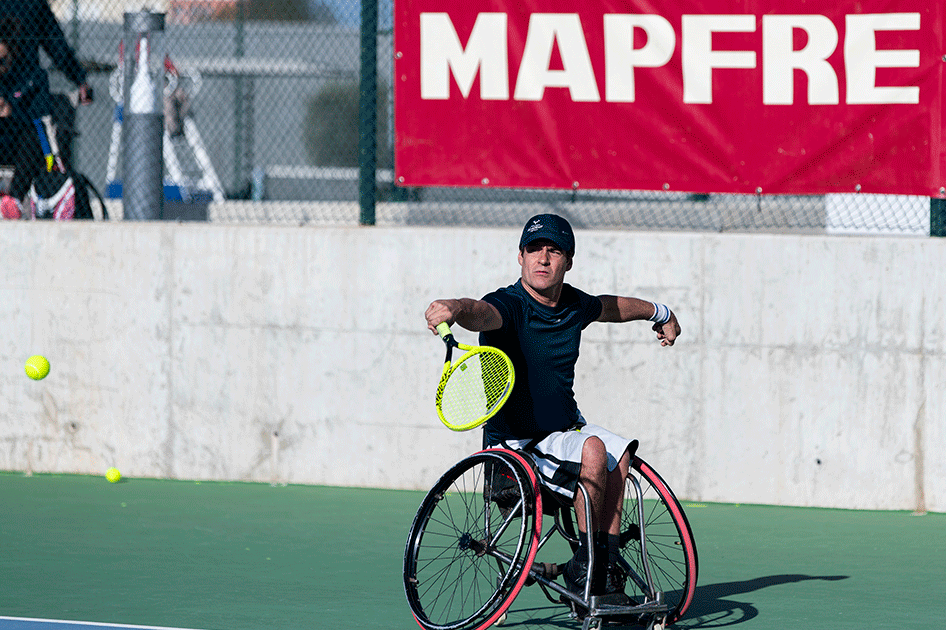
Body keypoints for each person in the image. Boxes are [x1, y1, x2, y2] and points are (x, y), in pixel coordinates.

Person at [424, 213, 680, 602]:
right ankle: (587, 568)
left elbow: (610, 307)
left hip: (562, 434)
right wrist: (454, 307)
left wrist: (659, 313)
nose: (543, 258)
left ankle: (602, 568)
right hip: (515, 448)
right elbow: (479, 311)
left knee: (620, 450)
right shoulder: (506, 306)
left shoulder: (574, 305)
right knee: (593, 450)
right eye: (534, 250)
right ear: (521, 258)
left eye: (554, 250)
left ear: (568, 262)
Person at [0, 3, 93, 219]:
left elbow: (56, 45)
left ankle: (14, 201)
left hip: (19, 126)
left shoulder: (32, 78)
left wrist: (79, 78)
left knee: (33, 130)